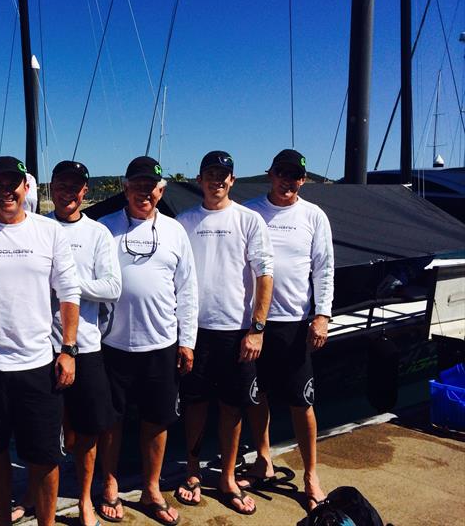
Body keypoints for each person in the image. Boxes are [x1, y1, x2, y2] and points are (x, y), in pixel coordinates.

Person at [0, 160, 122, 525]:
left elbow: (69, 291)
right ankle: (6, 519)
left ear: (27, 188)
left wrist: (68, 350)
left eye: (14, 183)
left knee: (47, 453)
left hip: (42, 361)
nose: (7, 190)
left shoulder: (50, 233)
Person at [97, 156, 198, 526]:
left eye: (150, 186)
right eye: (136, 185)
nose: (144, 192)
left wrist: (187, 342)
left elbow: (188, 291)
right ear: (125, 187)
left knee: (157, 420)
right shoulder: (103, 229)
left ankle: (152, 488)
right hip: (112, 345)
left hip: (161, 344)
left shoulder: (175, 231)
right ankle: (109, 483)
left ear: (161, 190)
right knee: (111, 421)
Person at [175, 150, 273, 516]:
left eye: (223, 175)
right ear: (199, 179)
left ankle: (228, 476)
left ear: (232, 180)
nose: (217, 180)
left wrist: (257, 329)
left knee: (232, 407)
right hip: (195, 331)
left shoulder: (250, 220)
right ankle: (193, 471)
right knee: (195, 403)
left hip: (237, 332)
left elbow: (265, 276)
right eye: (210, 174)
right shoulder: (183, 222)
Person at [242, 149, 333, 511]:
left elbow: (324, 269)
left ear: (303, 180)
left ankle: (311, 474)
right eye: (282, 173)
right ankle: (263, 460)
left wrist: (322, 315)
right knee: (257, 394)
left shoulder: (314, 216)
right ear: (270, 174)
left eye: (295, 176)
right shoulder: (249, 212)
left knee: (302, 401)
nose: (288, 181)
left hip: (295, 323)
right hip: (254, 323)